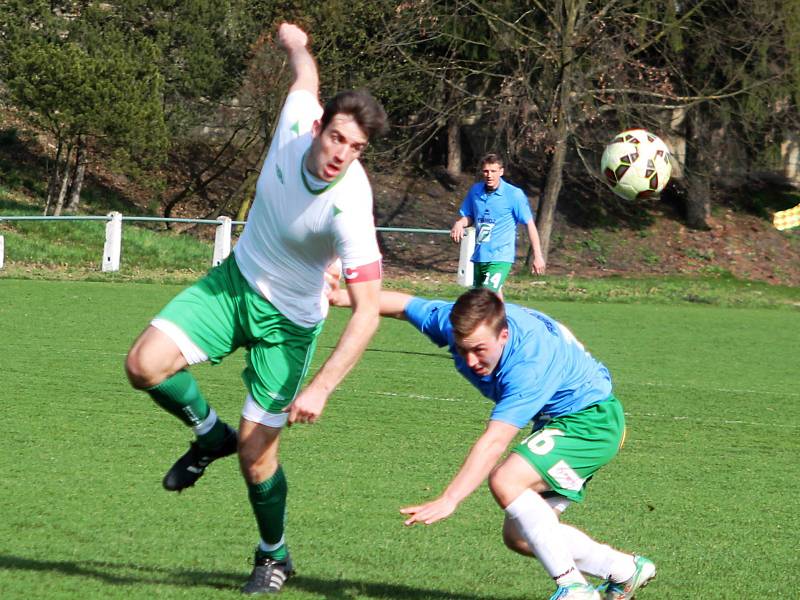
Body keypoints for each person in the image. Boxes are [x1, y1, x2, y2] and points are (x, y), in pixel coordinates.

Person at [124, 22, 387, 595]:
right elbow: (305, 75)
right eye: (338, 138)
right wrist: (296, 43)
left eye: (356, 147)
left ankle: (274, 556)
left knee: (256, 455)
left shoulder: (351, 204)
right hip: (235, 284)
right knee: (144, 365)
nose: (342, 154)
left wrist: (320, 388)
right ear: (318, 126)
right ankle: (207, 433)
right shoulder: (295, 119)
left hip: (289, 328)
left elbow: (366, 310)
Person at [329, 286, 656, 600]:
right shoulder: (460, 322)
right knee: (520, 537)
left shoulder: (528, 365)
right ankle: (624, 569)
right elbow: (400, 305)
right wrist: (339, 296)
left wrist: (450, 499)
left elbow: (494, 441)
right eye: (462, 348)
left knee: (505, 479)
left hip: (591, 423)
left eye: (479, 350)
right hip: (560, 422)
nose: (470, 360)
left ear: (504, 335)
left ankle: (574, 588)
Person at [450, 153, 546, 298]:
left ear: (501, 171)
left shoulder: (513, 194)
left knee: (486, 296)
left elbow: (529, 224)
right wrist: (460, 223)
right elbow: (469, 216)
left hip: (501, 256)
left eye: (493, 171)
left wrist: (538, 256)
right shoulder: (475, 191)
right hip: (480, 255)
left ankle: (493, 320)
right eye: (486, 171)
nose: (489, 175)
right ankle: (502, 320)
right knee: (488, 297)